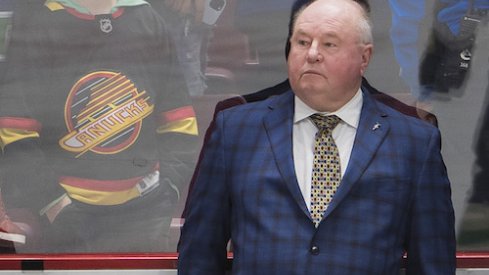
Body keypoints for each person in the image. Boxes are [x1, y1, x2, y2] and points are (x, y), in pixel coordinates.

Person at [177, 0, 456, 274]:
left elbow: (433, 263)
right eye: (301, 42)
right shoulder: (235, 131)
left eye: (329, 44)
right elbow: (199, 254)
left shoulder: (414, 142)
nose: (311, 54)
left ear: (364, 57)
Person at [0, 0, 198, 252]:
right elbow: (16, 131)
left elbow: (179, 121)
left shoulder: (148, 19)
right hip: (64, 223)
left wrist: (168, 189)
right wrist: (54, 205)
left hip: (145, 216)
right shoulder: (40, 24)